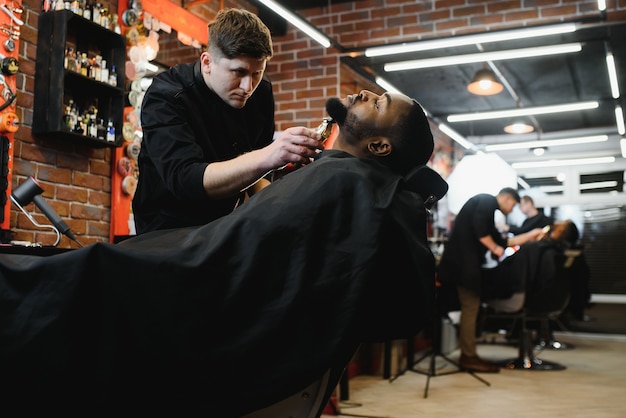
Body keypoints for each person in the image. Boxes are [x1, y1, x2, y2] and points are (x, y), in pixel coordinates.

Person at [0, 90, 441, 416]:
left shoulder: (343, 184)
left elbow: (225, 259)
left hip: (192, 287)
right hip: (197, 269)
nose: (366, 93)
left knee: (80, 277)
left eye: (378, 103)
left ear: (380, 146)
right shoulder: (349, 186)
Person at [133, 8, 325, 234]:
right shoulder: (167, 95)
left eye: (257, 73)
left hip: (221, 225)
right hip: (165, 229)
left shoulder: (260, 93)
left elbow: (254, 174)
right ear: (207, 62)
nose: (247, 87)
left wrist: (284, 205)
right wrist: (271, 155)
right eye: (238, 72)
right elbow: (186, 180)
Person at [437, 187, 543, 373]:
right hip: (463, 267)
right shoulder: (485, 200)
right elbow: (482, 233)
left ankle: (469, 354)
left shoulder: (487, 211)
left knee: (472, 307)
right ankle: (468, 357)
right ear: (508, 199)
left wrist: (529, 235)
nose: (511, 210)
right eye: (513, 206)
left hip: (464, 267)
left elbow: (501, 241)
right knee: (471, 307)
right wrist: (495, 249)